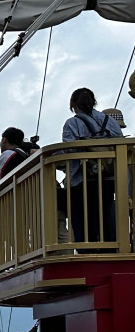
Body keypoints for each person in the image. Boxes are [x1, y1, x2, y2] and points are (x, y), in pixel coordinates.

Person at [61, 87, 123, 244]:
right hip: (109, 176)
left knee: (83, 220)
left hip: (82, 179)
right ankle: (109, 247)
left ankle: (86, 249)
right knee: (106, 214)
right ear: (93, 102)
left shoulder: (72, 123)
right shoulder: (110, 122)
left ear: (73, 104)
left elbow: (69, 149)